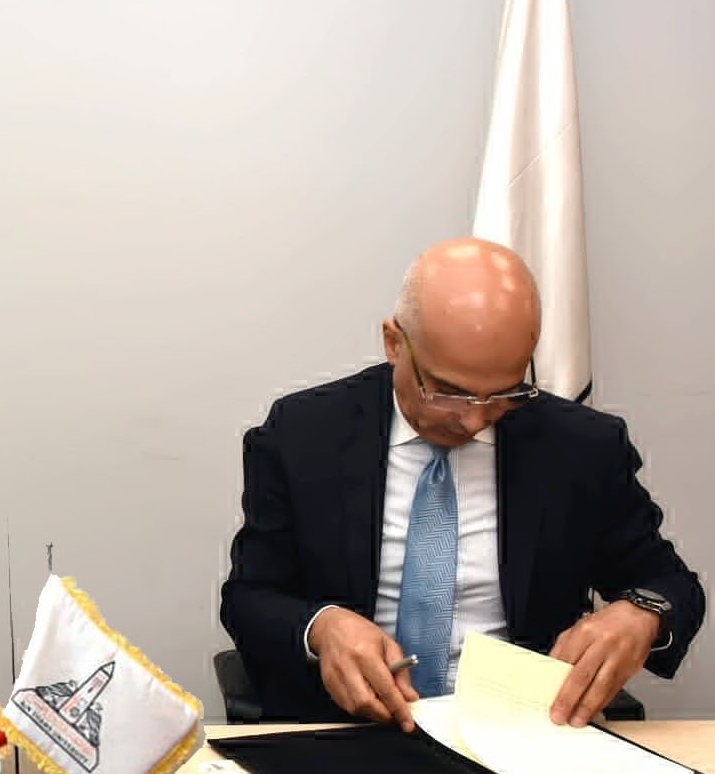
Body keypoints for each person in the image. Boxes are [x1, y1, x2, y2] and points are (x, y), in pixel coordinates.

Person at [220, 237, 704, 731]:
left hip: (525, 732)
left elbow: (671, 585)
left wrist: (642, 615)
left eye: (504, 394)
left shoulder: (581, 447)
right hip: (348, 729)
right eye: (448, 393)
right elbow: (248, 598)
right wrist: (322, 627)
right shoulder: (304, 435)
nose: (473, 422)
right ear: (394, 342)